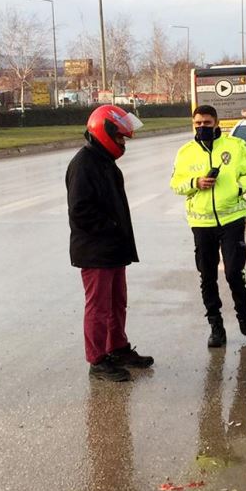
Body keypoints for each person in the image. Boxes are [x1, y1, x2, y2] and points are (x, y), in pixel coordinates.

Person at [66, 105, 154, 382]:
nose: (122, 144)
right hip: (96, 251)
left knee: (117, 303)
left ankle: (117, 347)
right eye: (119, 138)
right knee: (99, 307)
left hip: (114, 248)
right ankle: (97, 359)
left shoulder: (105, 162)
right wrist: (111, 229)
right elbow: (80, 211)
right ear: (103, 132)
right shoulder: (84, 164)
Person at [170, 105, 246, 348]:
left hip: (232, 220)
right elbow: (175, 184)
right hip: (201, 223)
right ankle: (216, 326)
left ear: (217, 123)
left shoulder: (235, 147)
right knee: (207, 275)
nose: (202, 127)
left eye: (207, 123)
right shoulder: (185, 152)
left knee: (234, 272)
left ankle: (245, 321)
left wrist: (237, 187)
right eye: (198, 124)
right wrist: (195, 182)